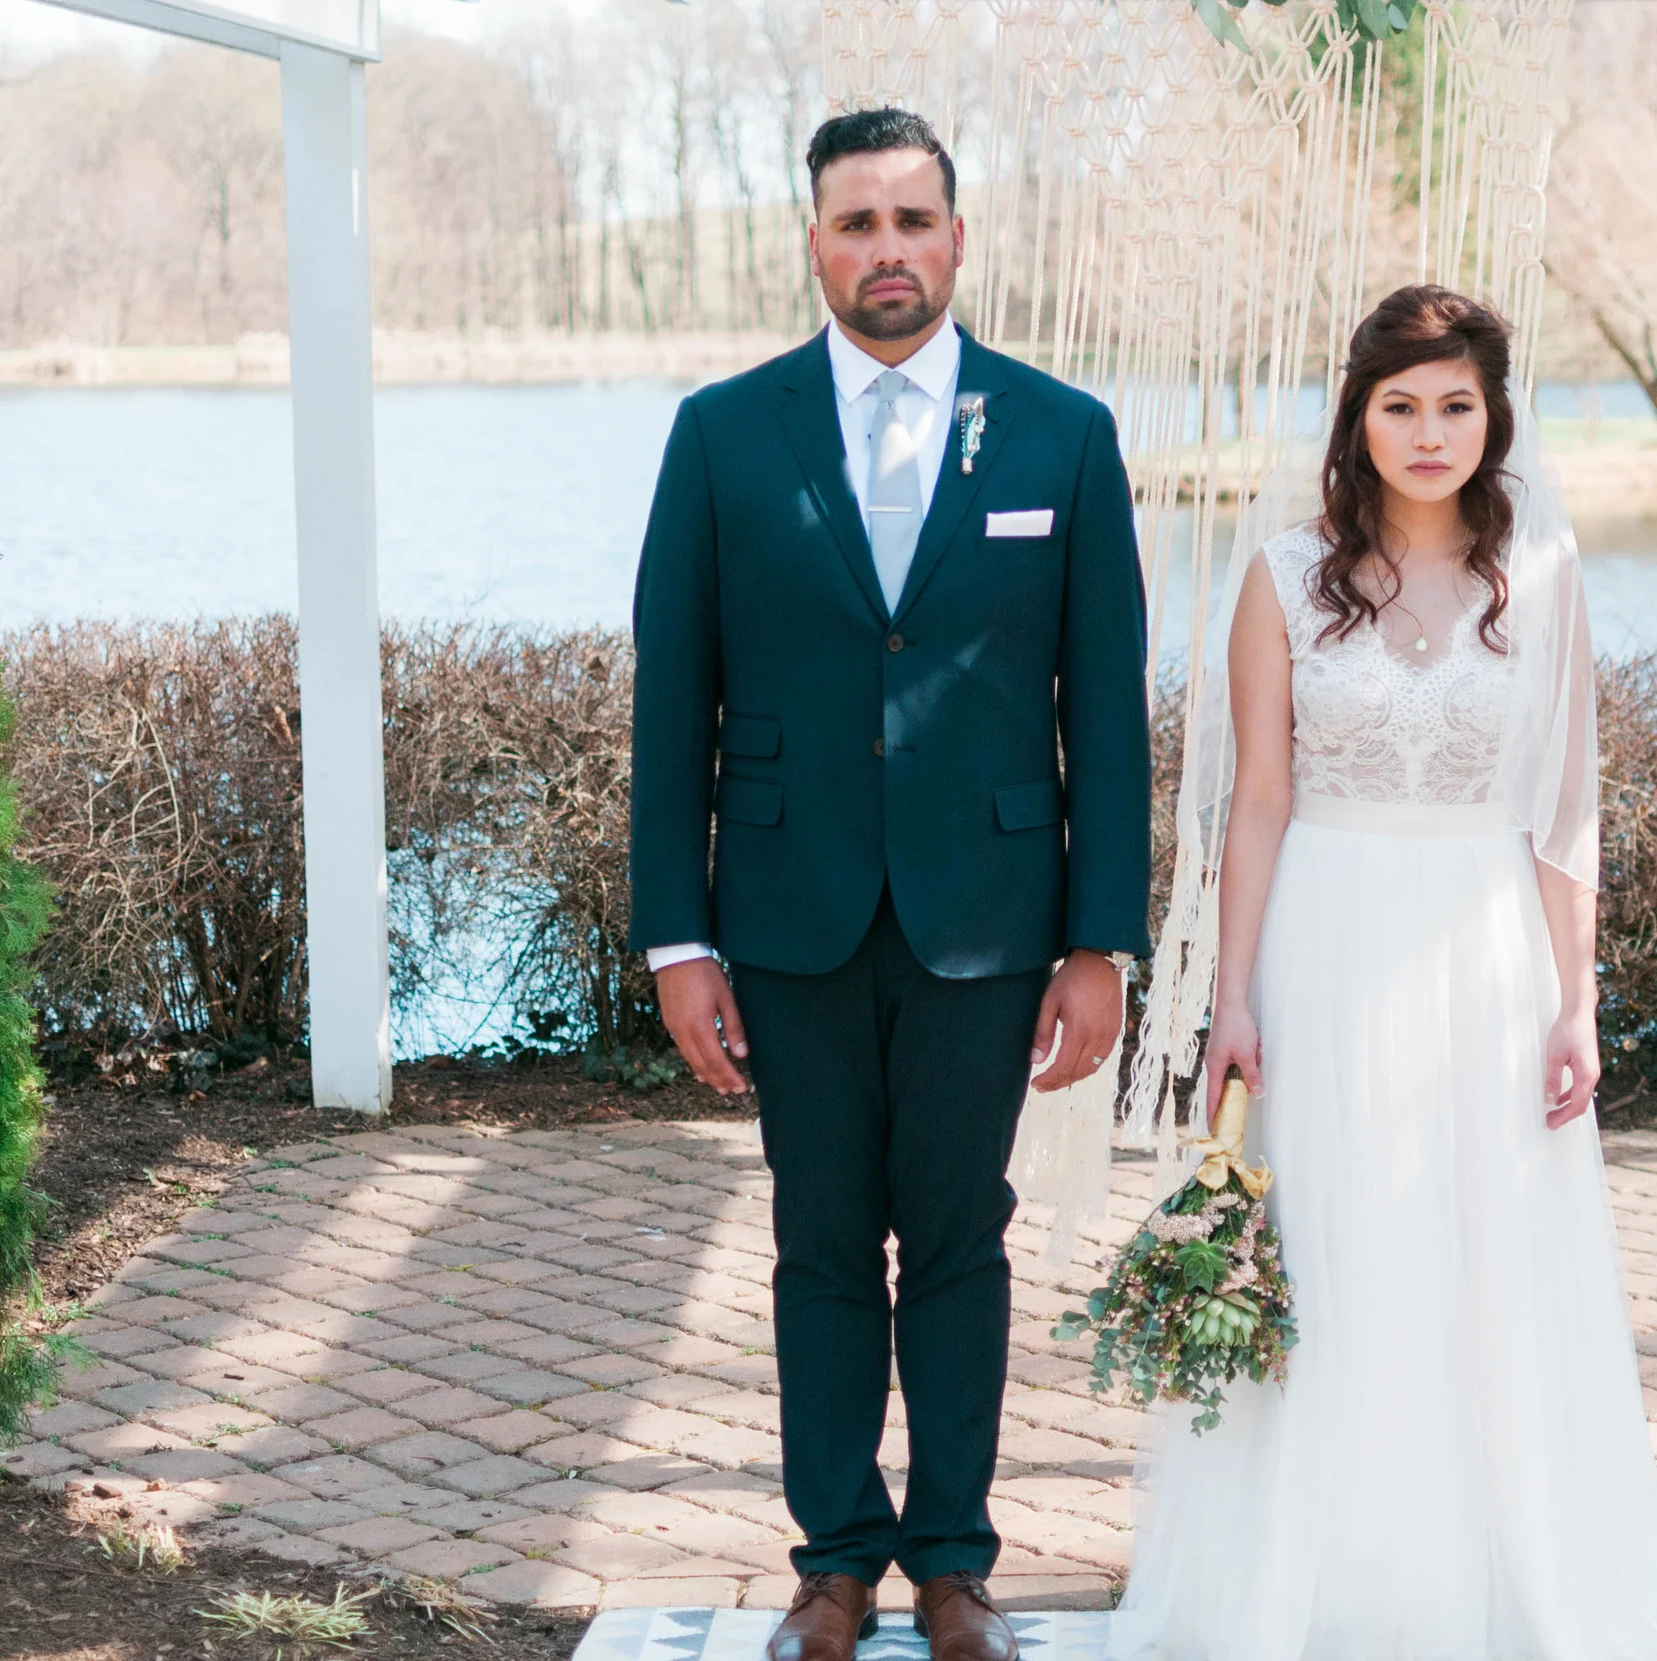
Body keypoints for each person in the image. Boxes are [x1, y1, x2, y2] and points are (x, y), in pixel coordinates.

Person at [1111, 286, 1657, 1660]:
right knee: (1336, 1257)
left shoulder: (1548, 573)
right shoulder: (1284, 576)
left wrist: (1575, 998)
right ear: (1356, 419)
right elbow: (1260, 801)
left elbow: (1564, 807)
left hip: (1482, 946)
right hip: (1326, 937)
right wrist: (1234, 1000)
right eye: (1399, 404)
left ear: (1493, 418)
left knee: (1476, 1257)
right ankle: (1318, 1579)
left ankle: (1487, 1572)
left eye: (1455, 404)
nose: (1428, 431)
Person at [626, 107, 1153, 1661]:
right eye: (856, 225)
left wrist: (1100, 939)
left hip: (988, 922)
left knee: (963, 1236)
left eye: (913, 221)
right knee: (820, 1238)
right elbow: (676, 699)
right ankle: (835, 1565)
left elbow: (1102, 710)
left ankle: (955, 1566)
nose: (888, 252)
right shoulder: (724, 434)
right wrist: (677, 935)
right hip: (787, 913)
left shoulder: (1062, 433)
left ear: (959, 237)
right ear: (815, 244)